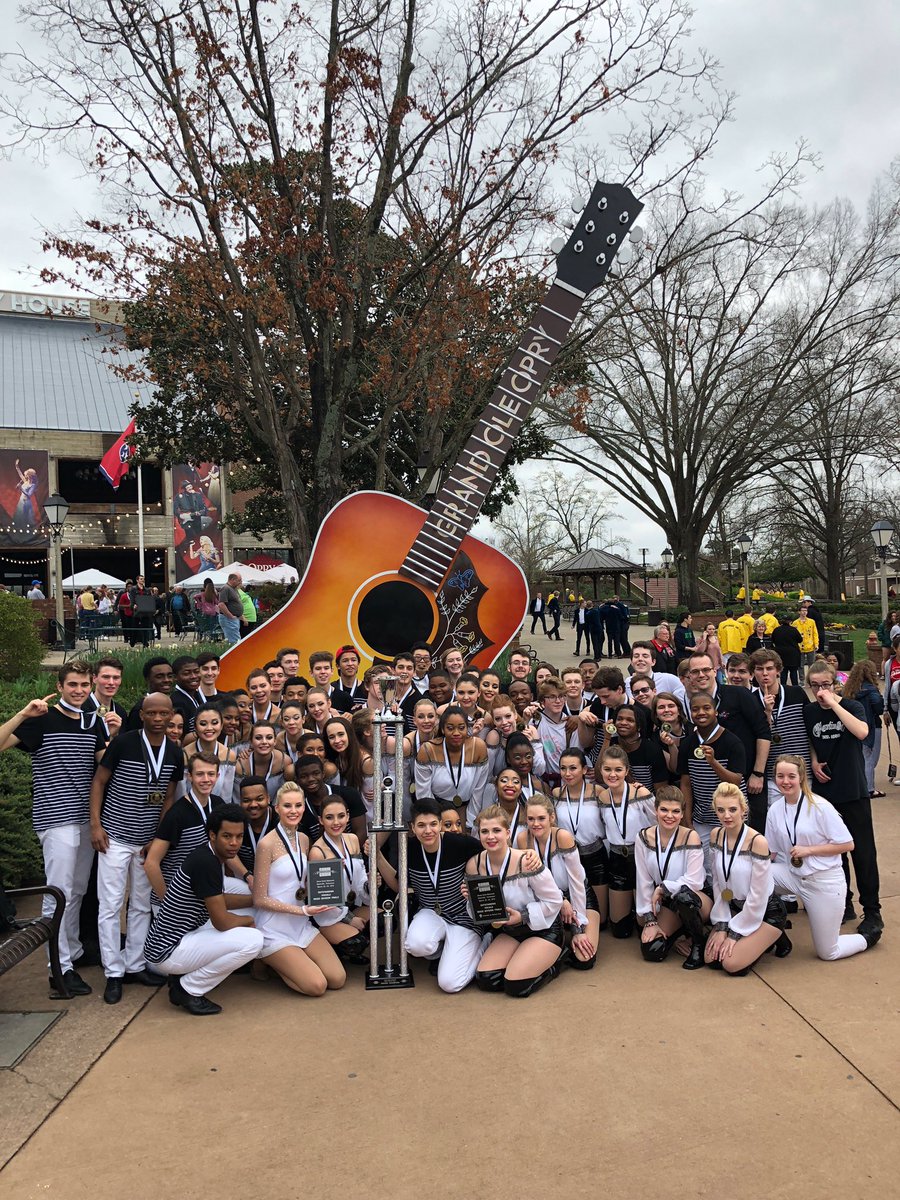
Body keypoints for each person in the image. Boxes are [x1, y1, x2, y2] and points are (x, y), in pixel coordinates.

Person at [0, 662, 107, 998]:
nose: (78, 691)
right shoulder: (41, 720)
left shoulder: (94, 722)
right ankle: (57, 970)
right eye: (72, 685)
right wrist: (22, 714)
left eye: (84, 685)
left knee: (75, 892)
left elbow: (105, 767)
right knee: (57, 895)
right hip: (55, 819)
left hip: (86, 818)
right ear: (60, 686)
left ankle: (71, 955)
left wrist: (116, 736)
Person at [89, 693, 184, 1003]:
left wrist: (157, 837)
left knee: (142, 904)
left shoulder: (174, 752)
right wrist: (96, 825)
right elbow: (99, 782)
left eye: (164, 713)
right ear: (142, 714)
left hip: (146, 842)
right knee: (111, 905)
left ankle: (135, 963)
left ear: (171, 716)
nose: (158, 718)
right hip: (114, 836)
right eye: (152, 713)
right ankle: (113, 972)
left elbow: (168, 797)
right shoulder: (125, 742)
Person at [143, 805, 264, 1015]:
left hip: (173, 940)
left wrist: (255, 901)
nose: (234, 843)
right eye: (227, 836)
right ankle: (189, 988)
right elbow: (222, 922)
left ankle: (181, 977)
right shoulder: (206, 862)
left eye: (239, 836)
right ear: (212, 835)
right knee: (254, 940)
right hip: (168, 951)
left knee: (249, 917)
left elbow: (220, 899)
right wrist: (247, 921)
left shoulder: (208, 854)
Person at [767, 755, 877, 960]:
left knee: (828, 952)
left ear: (800, 777)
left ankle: (866, 938)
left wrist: (808, 851)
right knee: (752, 876)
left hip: (823, 881)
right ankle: (773, 932)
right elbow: (770, 852)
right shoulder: (775, 809)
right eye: (780, 776)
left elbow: (847, 844)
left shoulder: (820, 806)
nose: (785, 781)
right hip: (793, 875)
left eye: (791, 776)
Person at [803, 661, 883, 939]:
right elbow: (812, 740)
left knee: (863, 853)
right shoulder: (810, 711)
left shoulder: (851, 706)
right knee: (834, 854)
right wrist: (813, 761)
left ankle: (872, 910)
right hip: (826, 795)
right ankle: (843, 902)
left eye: (825, 684)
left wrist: (834, 703)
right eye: (814, 686)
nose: (819, 691)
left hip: (853, 791)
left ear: (835, 684)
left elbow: (862, 732)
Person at [250, 783, 348, 994]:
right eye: (287, 806)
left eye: (298, 805)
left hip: (300, 924)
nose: (293, 811)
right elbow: (259, 899)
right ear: (276, 808)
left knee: (337, 979)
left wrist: (330, 872)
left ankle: (289, 962)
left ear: (304, 807)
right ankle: (269, 959)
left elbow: (303, 882)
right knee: (317, 986)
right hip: (273, 928)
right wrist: (302, 910)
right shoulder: (266, 845)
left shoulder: (303, 839)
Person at [467, 805, 564, 998]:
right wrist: (471, 900)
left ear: (508, 832)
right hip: (509, 931)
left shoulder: (526, 861)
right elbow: (478, 912)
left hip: (542, 929)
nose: (490, 837)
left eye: (496, 830)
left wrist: (523, 916)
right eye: (484, 831)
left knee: (516, 986)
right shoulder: (475, 864)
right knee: (488, 979)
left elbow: (555, 901)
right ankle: (523, 956)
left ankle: (557, 961)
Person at [403, 799, 486, 993]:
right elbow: (398, 884)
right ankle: (446, 949)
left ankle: (484, 945)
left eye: (433, 824)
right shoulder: (409, 848)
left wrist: (524, 854)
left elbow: (493, 853)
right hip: (431, 912)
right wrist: (376, 857)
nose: (428, 831)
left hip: (463, 916)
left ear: (440, 824)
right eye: (421, 825)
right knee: (416, 945)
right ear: (412, 827)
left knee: (449, 984)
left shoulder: (460, 844)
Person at [705, 783, 790, 973]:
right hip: (734, 907)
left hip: (765, 910)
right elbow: (718, 883)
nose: (727, 815)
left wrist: (734, 933)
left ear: (744, 810)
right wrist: (721, 925)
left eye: (733, 809)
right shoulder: (715, 836)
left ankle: (775, 933)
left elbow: (758, 895)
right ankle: (756, 939)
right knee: (711, 959)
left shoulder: (757, 841)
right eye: (721, 810)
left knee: (730, 964)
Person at [684, 654, 770, 833]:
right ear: (689, 676)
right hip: (709, 788)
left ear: (715, 671)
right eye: (695, 671)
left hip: (747, 780)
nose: (701, 675)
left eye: (706, 669)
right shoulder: (690, 702)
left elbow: (763, 732)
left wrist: (758, 773)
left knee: (752, 835)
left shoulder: (738, 694)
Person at [518, 795, 598, 969]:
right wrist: (560, 900)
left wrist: (578, 927)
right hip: (548, 900)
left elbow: (577, 882)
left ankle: (571, 932)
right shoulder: (523, 840)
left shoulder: (563, 837)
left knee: (584, 960)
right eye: (531, 819)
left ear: (551, 817)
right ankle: (559, 951)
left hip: (577, 895)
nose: (535, 824)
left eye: (541, 818)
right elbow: (530, 882)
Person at [635, 785, 710, 968]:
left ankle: (698, 942)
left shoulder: (690, 836)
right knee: (653, 950)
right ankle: (679, 934)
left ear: (683, 813)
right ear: (656, 810)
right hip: (665, 902)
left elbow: (694, 880)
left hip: (694, 898)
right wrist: (651, 921)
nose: (670, 816)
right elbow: (643, 879)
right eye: (664, 810)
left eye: (676, 811)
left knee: (684, 897)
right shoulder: (643, 837)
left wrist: (663, 887)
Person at [678, 691, 746, 870]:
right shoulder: (687, 744)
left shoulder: (733, 742)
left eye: (706, 708)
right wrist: (687, 819)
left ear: (716, 711)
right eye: (695, 709)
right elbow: (685, 783)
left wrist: (713, 763)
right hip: (702, 819)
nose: (701, 712)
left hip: (730, 817)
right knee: (706, 868)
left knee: (733, 866)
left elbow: (736, 782)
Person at [595, 744, 655, 938]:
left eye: (618, 770)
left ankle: (640, 910)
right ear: (601, 770)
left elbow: (659, 825)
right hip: (617, 860)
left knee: (642, 927)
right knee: (620, 931)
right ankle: (628, 908)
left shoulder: (641, 794)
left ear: (627, 771)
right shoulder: (603, 797)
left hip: (641, 860)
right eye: (608, 769)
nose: (612, 774)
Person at [552, 748, 608, 925]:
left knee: (600, 918)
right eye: (563, 768)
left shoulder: (597, 791)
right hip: (568, 860)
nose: (567, 773)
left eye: (573, 768)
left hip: (595, 856)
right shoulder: (556, 794)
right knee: (575, 915)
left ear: (584, 769)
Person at [749, 649, 810, 806]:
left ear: (778, 670)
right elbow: (759, 736)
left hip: (803, 771)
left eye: (769, 668)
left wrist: (815, 760)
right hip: (772, 776)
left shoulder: (796, 693)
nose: (764, 674)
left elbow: (811, 732)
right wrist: (767, 712)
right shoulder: (750, 700)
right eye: (759, 669)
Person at [414, 705, 489, 827]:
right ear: (443, 729)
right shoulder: (428, 750)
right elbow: (423, 792)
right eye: (450, 728)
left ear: (467, 728)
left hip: (467, 809)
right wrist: (436, 821)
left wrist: (470, 823)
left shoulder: (478, 747)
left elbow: (478, 790)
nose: (456, 733)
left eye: (461, 728)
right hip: (437, 810)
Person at [842, 659, 885, 799]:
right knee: (870, 758)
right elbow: (878, 707)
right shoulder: (871, 690)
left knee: (858, 757)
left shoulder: (848, 690)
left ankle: (858, 785)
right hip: (871, 726)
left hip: (852, 725)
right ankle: (869, 789)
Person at [217, 571, 245, 644]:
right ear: (232, 580)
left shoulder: (234, 589)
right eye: (239, 580)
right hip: (228, 619)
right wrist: (231, 616)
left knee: (236, 639)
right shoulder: (225, 588)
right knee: (235, 641)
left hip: (234, 618)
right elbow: (221, 604)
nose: (240, 582)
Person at [793, 601, 819, 669]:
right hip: (799, 646)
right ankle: (802, 679)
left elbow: (815, 633)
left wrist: (816, 644)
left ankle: (810, 677)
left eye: (806, 611)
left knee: (811, 664)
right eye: (803, 611)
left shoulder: (811, 622)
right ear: (799, 612)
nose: (804, 612)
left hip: (810, 646)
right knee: (800, 665)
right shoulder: (795, 623)